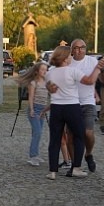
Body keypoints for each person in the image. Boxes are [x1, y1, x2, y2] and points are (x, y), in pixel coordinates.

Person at [43, 46, 87, 180]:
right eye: (70, 55)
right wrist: (97, 69)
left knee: (55, 139)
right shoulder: (73, 71)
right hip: (72, 106)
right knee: (79, 136)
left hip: (56, 107)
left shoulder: (49, 73)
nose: (71, 57)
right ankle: (77, 167)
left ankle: (52, 171)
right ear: (65, 58)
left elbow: (50, 89)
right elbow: (89, 81)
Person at [68, 38, 102, 173]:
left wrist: (102, 70)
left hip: (88, 101)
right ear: (71, 50)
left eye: (82, 47)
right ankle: (74, 163)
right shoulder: (68, 63)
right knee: (70, 135)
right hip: (71, 102)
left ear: (85, 49)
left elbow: (101, 79)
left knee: (88, 133)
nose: (79, 50)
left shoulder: (92, 61)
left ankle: (88, 153)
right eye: (75, 48)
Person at [17, 60, 49, 166]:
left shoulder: (46, 82)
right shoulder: (33, 83)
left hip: (42, 110)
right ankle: (33, 156)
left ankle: (36, 154)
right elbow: (30, 98)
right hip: (35, 109)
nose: (45, 71)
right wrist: (31, 110)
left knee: (38, 134)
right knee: (37, 132)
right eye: (42, 69)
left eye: (46, 69)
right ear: (37, 71)